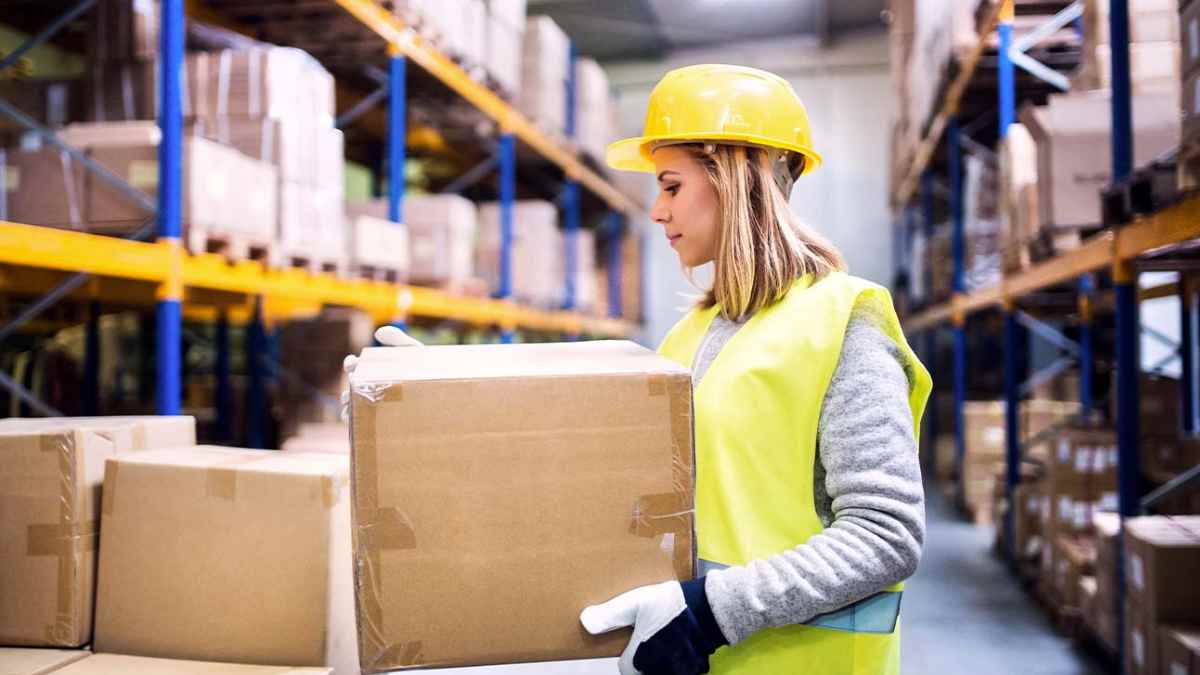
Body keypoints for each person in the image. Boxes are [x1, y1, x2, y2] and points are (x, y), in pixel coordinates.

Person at [343, 63, 931, 675]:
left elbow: (884, 535)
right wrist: (432, 401)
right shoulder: (692, 334)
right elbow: (600, 465)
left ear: (735, 180)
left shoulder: (844, 321)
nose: (656, 211)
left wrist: (709, 613)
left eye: (672, 186)